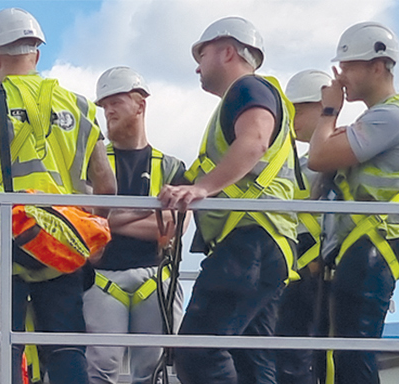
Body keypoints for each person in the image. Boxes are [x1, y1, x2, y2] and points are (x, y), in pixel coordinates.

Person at [0, 8, 117, 384]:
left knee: (1, 345)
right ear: (36, 54)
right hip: (63, 243)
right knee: (66, 347)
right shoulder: (81, 107)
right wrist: (94, 238)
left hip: (1, 244)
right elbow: (106, 185)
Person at [160, 16, 302, 384]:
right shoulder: (255, 96)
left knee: (197, 350)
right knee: (252, 359)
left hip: (249, 241)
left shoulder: (247, 90)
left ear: (227, 51)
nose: (196, 65)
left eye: (201, 54)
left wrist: (202, 188)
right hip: (270, 243)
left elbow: (254, 140)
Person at [303, 21, 399, 384]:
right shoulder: (380, 118)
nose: (340, 75)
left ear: (377, 66)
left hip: (373, 243)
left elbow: (318, 157)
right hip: (361, 244)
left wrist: (329, 111)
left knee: (352, 351)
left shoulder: (392, 116)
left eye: (348, 66)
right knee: (341, 352)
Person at [86, 66, 189, 384]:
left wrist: (110, 220)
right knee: (99, 370)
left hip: (155, 279)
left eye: (115, 102)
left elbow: (174, 228)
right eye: (103, 106)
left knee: (154, 372)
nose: (108, 111)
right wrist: (147, 212)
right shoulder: (94, 161)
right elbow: (86, 219)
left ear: (140, 104)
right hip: (103, 280)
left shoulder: (170, 166)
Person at [273, 68, 338, 384]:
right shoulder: (293, 164)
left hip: (320, 270)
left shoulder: (341, 154)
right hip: (293, 271)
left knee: (319, 354)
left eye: (299, 108)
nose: (293, 117)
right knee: (289, 354)